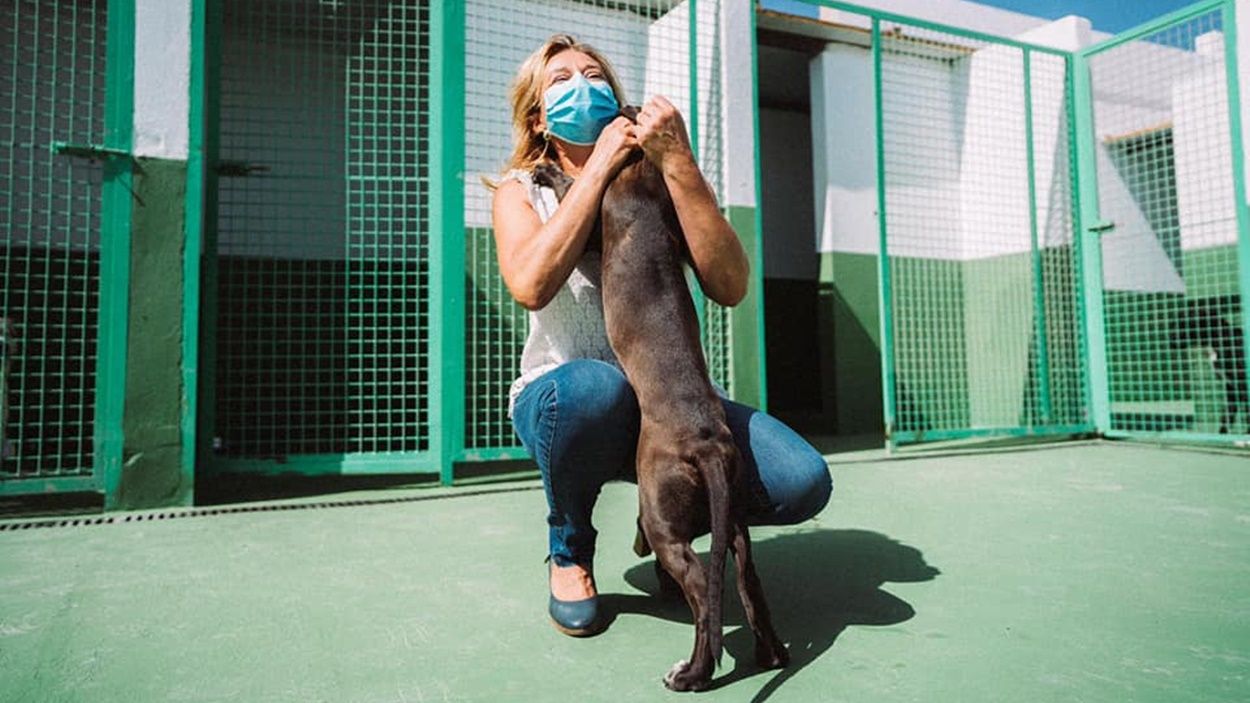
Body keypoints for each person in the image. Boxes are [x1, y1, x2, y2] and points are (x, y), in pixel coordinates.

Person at [491, 34, 832, 637]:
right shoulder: (522, 190)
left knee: (801, 480)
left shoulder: (656, 180)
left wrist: (679, 163)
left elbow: (729, 285)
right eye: (562, 79)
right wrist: (596, 166)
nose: (583, 86)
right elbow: (531, 284)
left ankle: (666, 527)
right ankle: (570, 546)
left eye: (594, 74)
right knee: (595, 389)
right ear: (539, 117)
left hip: (670, 405)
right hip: (566, 398)